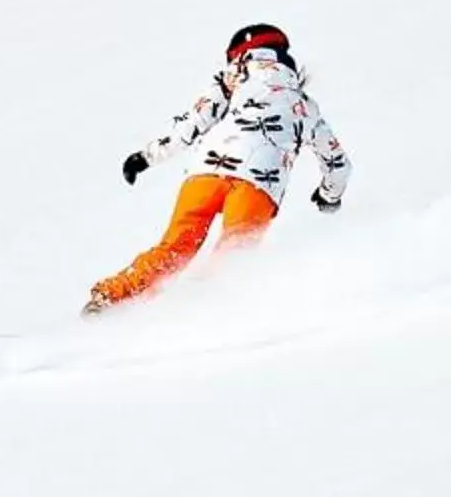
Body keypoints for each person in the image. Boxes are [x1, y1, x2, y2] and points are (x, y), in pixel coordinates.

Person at [85, 22, 348, 314]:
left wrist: (145, 157)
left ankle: (111, 298)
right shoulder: (304, 105)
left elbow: (190, 126)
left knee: (175, 248)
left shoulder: (230, 80)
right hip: (257, 184)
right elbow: (338, 163)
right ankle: (202, 317)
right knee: (232, 261)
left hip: (205, 174)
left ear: (238, 53)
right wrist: (329, 196)